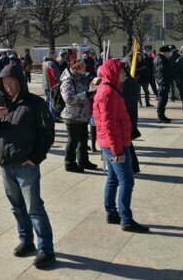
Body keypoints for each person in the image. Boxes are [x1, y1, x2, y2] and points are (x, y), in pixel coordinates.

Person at [0, 64, 56, 269]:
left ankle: (46, 250)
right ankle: (26, 240)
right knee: (17, 207)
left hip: (26, 166)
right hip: (6, 165)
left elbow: (47, 133)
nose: (7, 87)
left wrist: (35, 158)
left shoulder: (35, 103)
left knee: (34, 208)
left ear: (19, 82)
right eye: (4, 84)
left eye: (11, 83)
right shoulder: (2, 104)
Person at [93, 59, 149, 233]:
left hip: (112, 142)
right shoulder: (108, 92)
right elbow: (109, 124)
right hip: (115, 144)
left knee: (113, 178)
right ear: (114, 73)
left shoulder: (109, 89)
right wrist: (117, 150)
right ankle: (126, 219)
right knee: (127, 180)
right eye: (122, 71)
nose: (125, 74)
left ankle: (111, 212)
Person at [60, 61, 98, 173]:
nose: (85, 71)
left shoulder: (80, 78)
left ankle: (83, 161)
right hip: (72, 116)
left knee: (83, 140)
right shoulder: (68, 81)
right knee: (73, 141)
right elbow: (69, 99)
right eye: (83, 69)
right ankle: (69, 163)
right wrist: (86, 94)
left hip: (82, 115)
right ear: (76, 69)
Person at [153, 46, 173, 123]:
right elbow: (163, 71)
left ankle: (162, 115)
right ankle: (160, 116)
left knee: (163, 99)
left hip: (161, 81)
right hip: (163, 81)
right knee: (162, 99)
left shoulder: (158, 58)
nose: (169, 54)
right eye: (168, 52)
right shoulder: (161, 60)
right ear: (164, 52)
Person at [41, 51, 61, 120]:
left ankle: (45, 114)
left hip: (45, 84)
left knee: (48, 100)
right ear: (51, 55)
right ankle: (52, 116)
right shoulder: (51, 63)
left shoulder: (44, 63)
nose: (56, 56)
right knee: (52, 100)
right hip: (51, 85)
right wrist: (60, 80)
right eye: (55, 55)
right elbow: (55, 75)